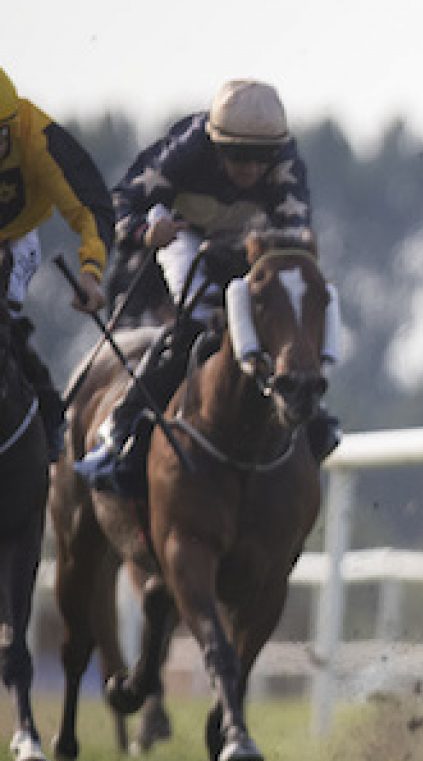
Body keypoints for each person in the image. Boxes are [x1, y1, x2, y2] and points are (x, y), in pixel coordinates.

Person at [75, 79, 342, 488]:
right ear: (216, 145)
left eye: (262, 157)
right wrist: (147, 232)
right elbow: (118, 205)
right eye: (238, 156)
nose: (251, 169)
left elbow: (294, 240)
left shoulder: (287, 166)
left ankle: (312, 412)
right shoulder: (185, 151)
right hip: (182, 233)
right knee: (198, 319)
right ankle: (121, 428)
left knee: (287, 303)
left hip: (249, 244)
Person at [0, 66, 112, 448]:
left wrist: (91, 272)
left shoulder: (37, 137)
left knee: (3, 314)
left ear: (10, 128)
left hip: (16, 238)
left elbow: (90, 207)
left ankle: (48, 412)